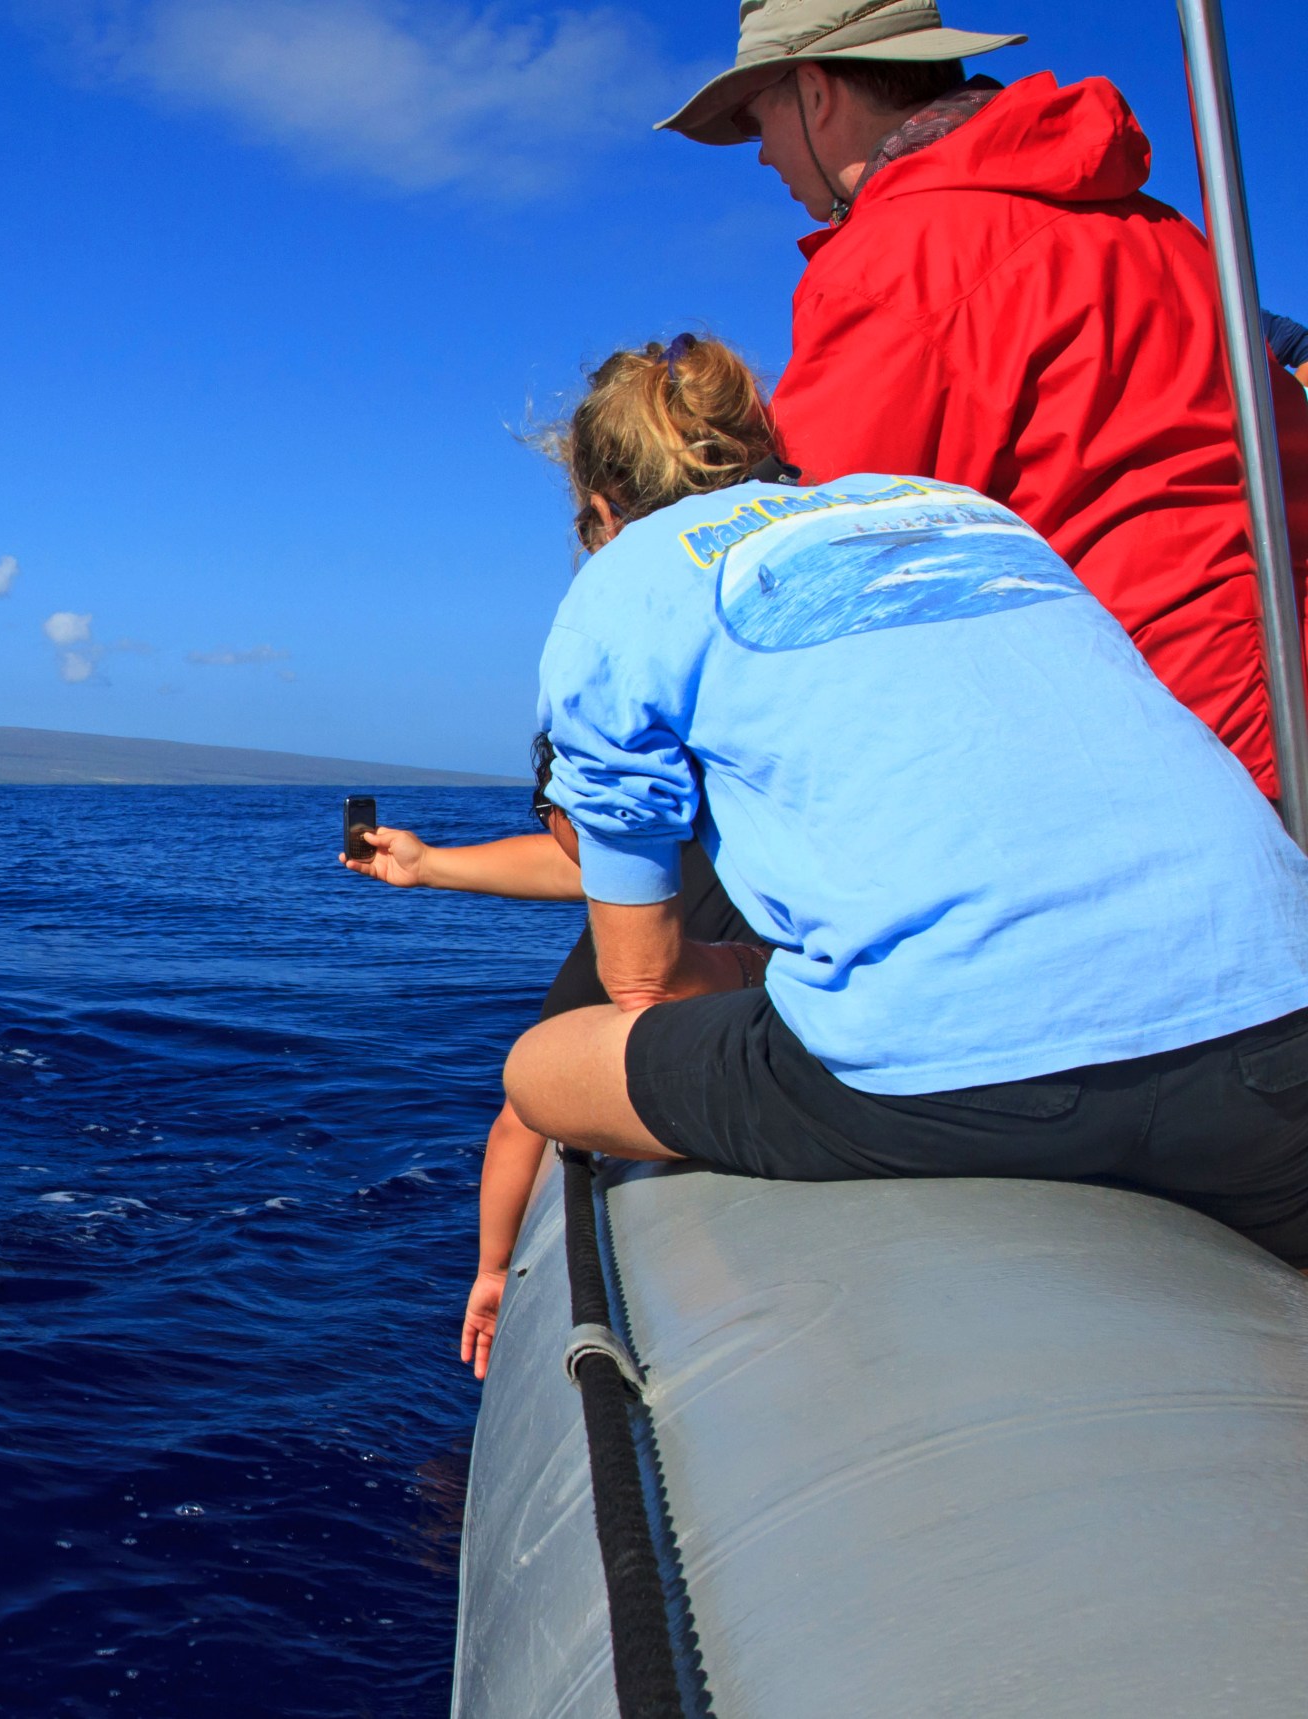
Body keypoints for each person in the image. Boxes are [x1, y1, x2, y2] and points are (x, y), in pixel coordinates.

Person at [496, 334, 1308, 1296]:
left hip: (952, 1072)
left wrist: (760, 965)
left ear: (600, 512)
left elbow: (648, 984)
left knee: (539, 1069)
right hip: (1277, 1017)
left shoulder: (622, 582)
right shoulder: (965, 512)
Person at [657, 0, 1308, 800]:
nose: (763, 158)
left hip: (1166, 750)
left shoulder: (894, 259)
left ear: (816, 93)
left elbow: (815, 570)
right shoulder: (1151, 223)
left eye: (760, 123)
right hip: (1281, 694)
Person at [344, 738, 767, 1376]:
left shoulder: (644, 930)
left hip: (719, 1105)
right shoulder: (724, 843)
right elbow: (573, 866)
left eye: (552, 811)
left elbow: (522, 1117)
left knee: (534, 1082)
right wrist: (427, 863)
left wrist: (492, 1272)